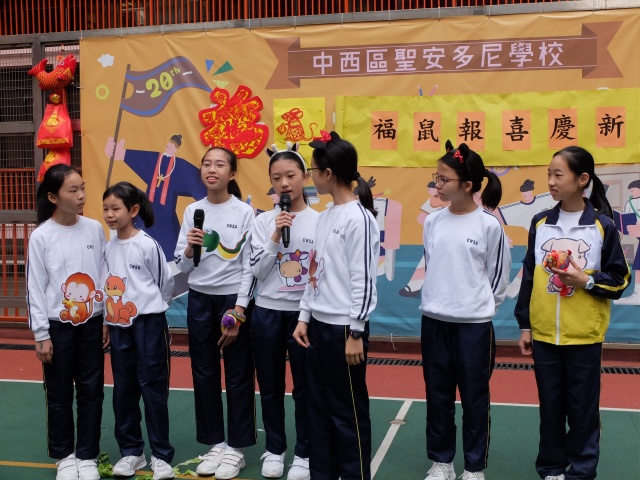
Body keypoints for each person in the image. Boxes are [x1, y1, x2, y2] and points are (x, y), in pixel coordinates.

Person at [515, 146, 630, 480]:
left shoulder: (602, 226)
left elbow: (620, 280)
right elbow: (529, 276)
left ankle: (580, 472)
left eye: (558, 174)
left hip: (584, 337)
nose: (550, 181)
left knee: (582, 411)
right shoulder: (540, 223)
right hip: (544, 336)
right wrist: (525, 325)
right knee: (551, 408)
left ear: (582, 179)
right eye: (549, 174)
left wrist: (585, 280)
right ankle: (551, 468)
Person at [420, 142, 511, 480]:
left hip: (474, 328)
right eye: (437, 177)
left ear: (468, 185)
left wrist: (478, 308)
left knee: (475, 400)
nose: (438, 184)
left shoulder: (489, 226)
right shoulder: (433, 222)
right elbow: (433, 265)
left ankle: (474, 467)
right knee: (437, 396)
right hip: (434, 323)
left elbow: (498, 279)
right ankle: (441, 462)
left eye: (444, 179)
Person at [292, 130, 380, 480]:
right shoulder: (326, 215)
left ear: (328, 173)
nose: (310, 176)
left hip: (345, 329)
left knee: (348, 413)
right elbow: (314, 271)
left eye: (313, 170)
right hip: (318, 326)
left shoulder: (359, 218)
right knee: (319, 410)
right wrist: (304, 316)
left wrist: (356, 331)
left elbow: (364, 280)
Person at [174, 146, 256, 479]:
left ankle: (236, 448)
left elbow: (249, 267)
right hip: (199, 300)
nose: (212, 169)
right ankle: (216, 444)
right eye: (206, 164)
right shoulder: (192, 210)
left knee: (238, 374)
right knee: (203, 372)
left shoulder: (244, 212)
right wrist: (190, 248)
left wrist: (239, 311)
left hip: (231, 302)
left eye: (220, 164)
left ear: (232, 173)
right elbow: (182, 266)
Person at [26, 164, 108, 480]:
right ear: (53, 197)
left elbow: (103, 275)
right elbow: (35, 287)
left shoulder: (94, 229)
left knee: (92, 391)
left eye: (82, 188)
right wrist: (41, 334)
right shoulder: (41, 236)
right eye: (73, 190)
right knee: (59, 394)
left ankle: (87, 455)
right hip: (56, 327)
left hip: (91, 324)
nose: (81, 195)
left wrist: (103, 318)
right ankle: (64, 456)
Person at [249, 143, 318, 480]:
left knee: (306, 386)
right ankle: (275, 449)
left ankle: (304, 453)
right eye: (277, 178)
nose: (284, 183)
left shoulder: (321, 221)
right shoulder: (263, 222)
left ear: (305, 177)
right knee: (270, 385)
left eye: (290, 175)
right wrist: (276, 233)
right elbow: (257, 270)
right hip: (267, 313)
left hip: (305, 316)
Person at [102, 182, 176, 480]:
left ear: (133, 210)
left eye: (115, 208)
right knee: (124, 390)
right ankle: (132, 452)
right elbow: (106, 287)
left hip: (148, 325)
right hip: (118, 327)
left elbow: (165, 283)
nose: (109, 214)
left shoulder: (147, 244)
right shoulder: (108, 247)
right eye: (106, 209)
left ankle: (161, 455)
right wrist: (107, 320)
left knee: (153, 389)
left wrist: (151, 309)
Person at [105, 134, 207, 261]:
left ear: (176, 149)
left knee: (169, 252)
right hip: (147, 212)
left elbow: (195, 180)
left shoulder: (179, 165)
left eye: (173, 146)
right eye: (169, 145)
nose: (169, 148)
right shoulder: (156, 159)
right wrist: (122, 153)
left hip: (166, 214)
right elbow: (140, 159)